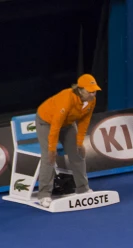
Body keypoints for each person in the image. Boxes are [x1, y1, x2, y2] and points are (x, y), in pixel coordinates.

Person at [35, 73, 101, 208]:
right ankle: (44, 195)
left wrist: (79, 142)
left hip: (68, 124)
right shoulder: (67, 98)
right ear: (81, 90)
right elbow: (55, 126)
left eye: (94, 91)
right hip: (46, 122)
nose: (93, 94)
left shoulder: (91, 101)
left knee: (77, 153)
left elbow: (84, 121)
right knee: (49, 157)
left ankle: (83, 188)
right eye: (90, 92)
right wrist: (52, 149)